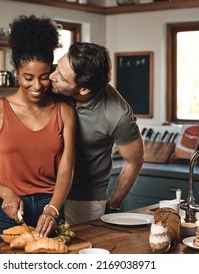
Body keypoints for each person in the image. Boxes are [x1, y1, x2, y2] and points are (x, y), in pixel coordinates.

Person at [0, 15, 76, 245]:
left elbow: (66, 170)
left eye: (43, 77)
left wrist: (52, 209)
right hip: (7, 211)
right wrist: (6, 193)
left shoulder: (64, 112)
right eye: (28, 77)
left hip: (50, 211)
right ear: (16, 71)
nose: (37, 86)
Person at [49, 42, 144, 224]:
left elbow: (134, 160)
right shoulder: (50, 86)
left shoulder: (118, 115)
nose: (51, 76)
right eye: (56, 67)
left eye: (60, 76)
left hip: (84, 198)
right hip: (42, 191)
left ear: (84, 89)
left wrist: (113, 204)